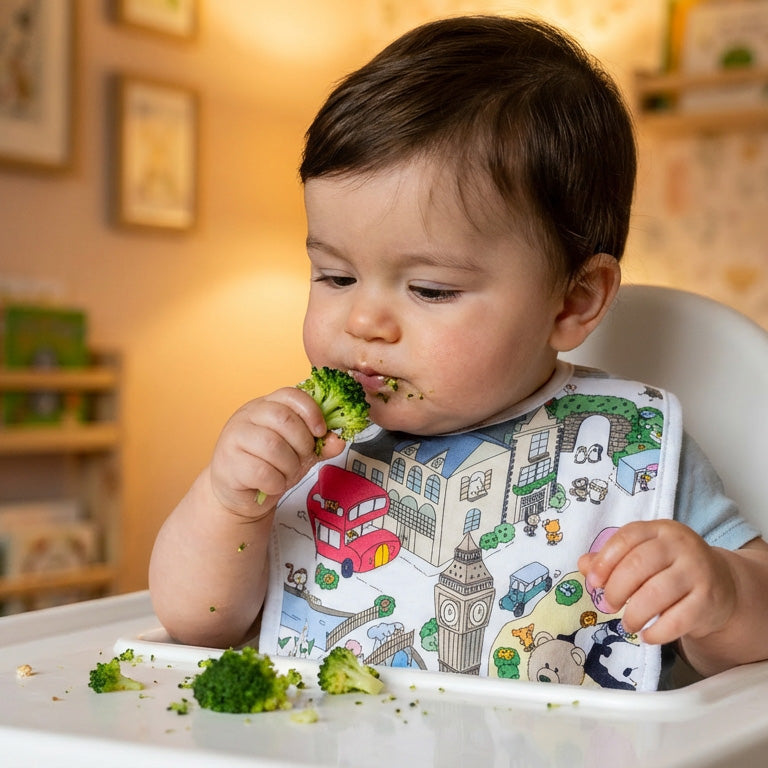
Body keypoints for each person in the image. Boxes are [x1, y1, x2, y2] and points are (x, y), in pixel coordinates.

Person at [149, 15, 768, 690]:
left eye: (431, 289)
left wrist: (723, 595)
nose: (362, 319)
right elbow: (195, 625)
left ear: (573, 301)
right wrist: (229, 503)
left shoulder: (632, 448)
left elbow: (755, 640)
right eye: (334, 275)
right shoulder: (307, 447)